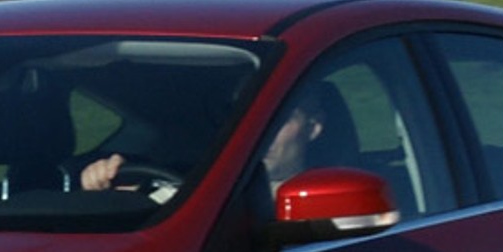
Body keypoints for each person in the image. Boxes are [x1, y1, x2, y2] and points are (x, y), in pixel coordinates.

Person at [80, 87, 327, 193]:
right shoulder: (194, 193)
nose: (260, 132)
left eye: (280, 119)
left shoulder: (327, 203)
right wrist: (111, 188)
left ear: (313, 128)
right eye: (247, 118)